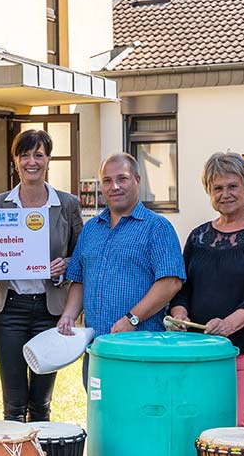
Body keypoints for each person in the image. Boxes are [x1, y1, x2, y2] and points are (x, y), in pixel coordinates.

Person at [168, 152, 244, 426]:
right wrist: (180, 312)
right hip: (200, 350)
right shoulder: (198, 236)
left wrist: (229, 324)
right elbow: (183, 288)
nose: (225, 194)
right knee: (196, 422)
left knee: (232, 423)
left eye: (232, 186)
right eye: (217, 188)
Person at [0, 130, 83, 422]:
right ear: (15, 161)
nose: (32, 162)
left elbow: (81, 257)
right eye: (24, 155)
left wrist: (64, 263)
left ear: (48, 160)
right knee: (13, 404)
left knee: (41, 401)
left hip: (49, 310)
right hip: (9, 310)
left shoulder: (67, 204)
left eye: (38, 155)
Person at [57, 153, 185, 380]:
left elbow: (171, 282)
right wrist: (68, 315)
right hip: (97, 350)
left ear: (137, 180)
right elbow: (79, 279)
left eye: (122, 178)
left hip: (141, 349)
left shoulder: (157, 228)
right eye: (107, 180)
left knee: (140, 413)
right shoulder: (91, 229)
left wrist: (132, 319)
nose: (114, 186)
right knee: (100, 414)